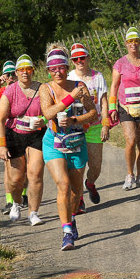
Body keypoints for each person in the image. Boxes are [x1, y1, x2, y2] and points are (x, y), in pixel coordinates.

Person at [39, 46, 98, 251]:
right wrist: (71, 97)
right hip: (53, 142)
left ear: (67, 67)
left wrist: (74, 120)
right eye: (53, 69)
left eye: (61, 67)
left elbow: (93, 113)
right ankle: (66, 233)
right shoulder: (46, 88)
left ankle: (71, 218)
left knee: (75, 190)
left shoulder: (80, 86)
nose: (57, 72)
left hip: (76, 141)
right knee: (63, 185)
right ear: (48, 70)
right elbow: (48, 113)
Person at [0, 54, 47, 226]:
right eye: (21, 69)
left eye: (28, 69)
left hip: (37, 135)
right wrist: (1, 145)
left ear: (33, 71)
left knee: (35, 174)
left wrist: (44, 120)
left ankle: (33, 213)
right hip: (14, 135)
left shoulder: (42, 89)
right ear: (16, 72)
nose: (25, 72)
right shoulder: (10, 91)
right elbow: (0, 119)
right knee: (15, 180)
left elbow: (51, 110)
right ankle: (16, 204)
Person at [108, 28, 140, 190]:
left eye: (136, 41)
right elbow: (114, 86)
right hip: (125, 107)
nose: (133, 44)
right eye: (130, 41)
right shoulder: (120, 63)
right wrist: (112, 109)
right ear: (126, 44)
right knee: (131, 140)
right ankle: (129, 175)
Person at [67, 43, 110, 207]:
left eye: (82, 58)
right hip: (76, 127)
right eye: (75, 59)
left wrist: (105, 124)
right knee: (78, 166)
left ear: (88, 58)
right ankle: (79, 198)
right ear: (72, 61)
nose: (79, 61)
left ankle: (90, 183)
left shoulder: (98, 76)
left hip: (96, 125)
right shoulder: (69, 78)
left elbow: (104, 102)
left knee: (96, 166)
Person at [0, 60, 24, 217]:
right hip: (9, 132)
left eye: (12, 73)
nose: (10, 77)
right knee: (9, 168)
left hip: (25, 131)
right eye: (7, 75)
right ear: (3, 76)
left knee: (25, 167)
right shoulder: (2, 92)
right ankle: (9, 200)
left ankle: (23, 195)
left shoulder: (24, 89)